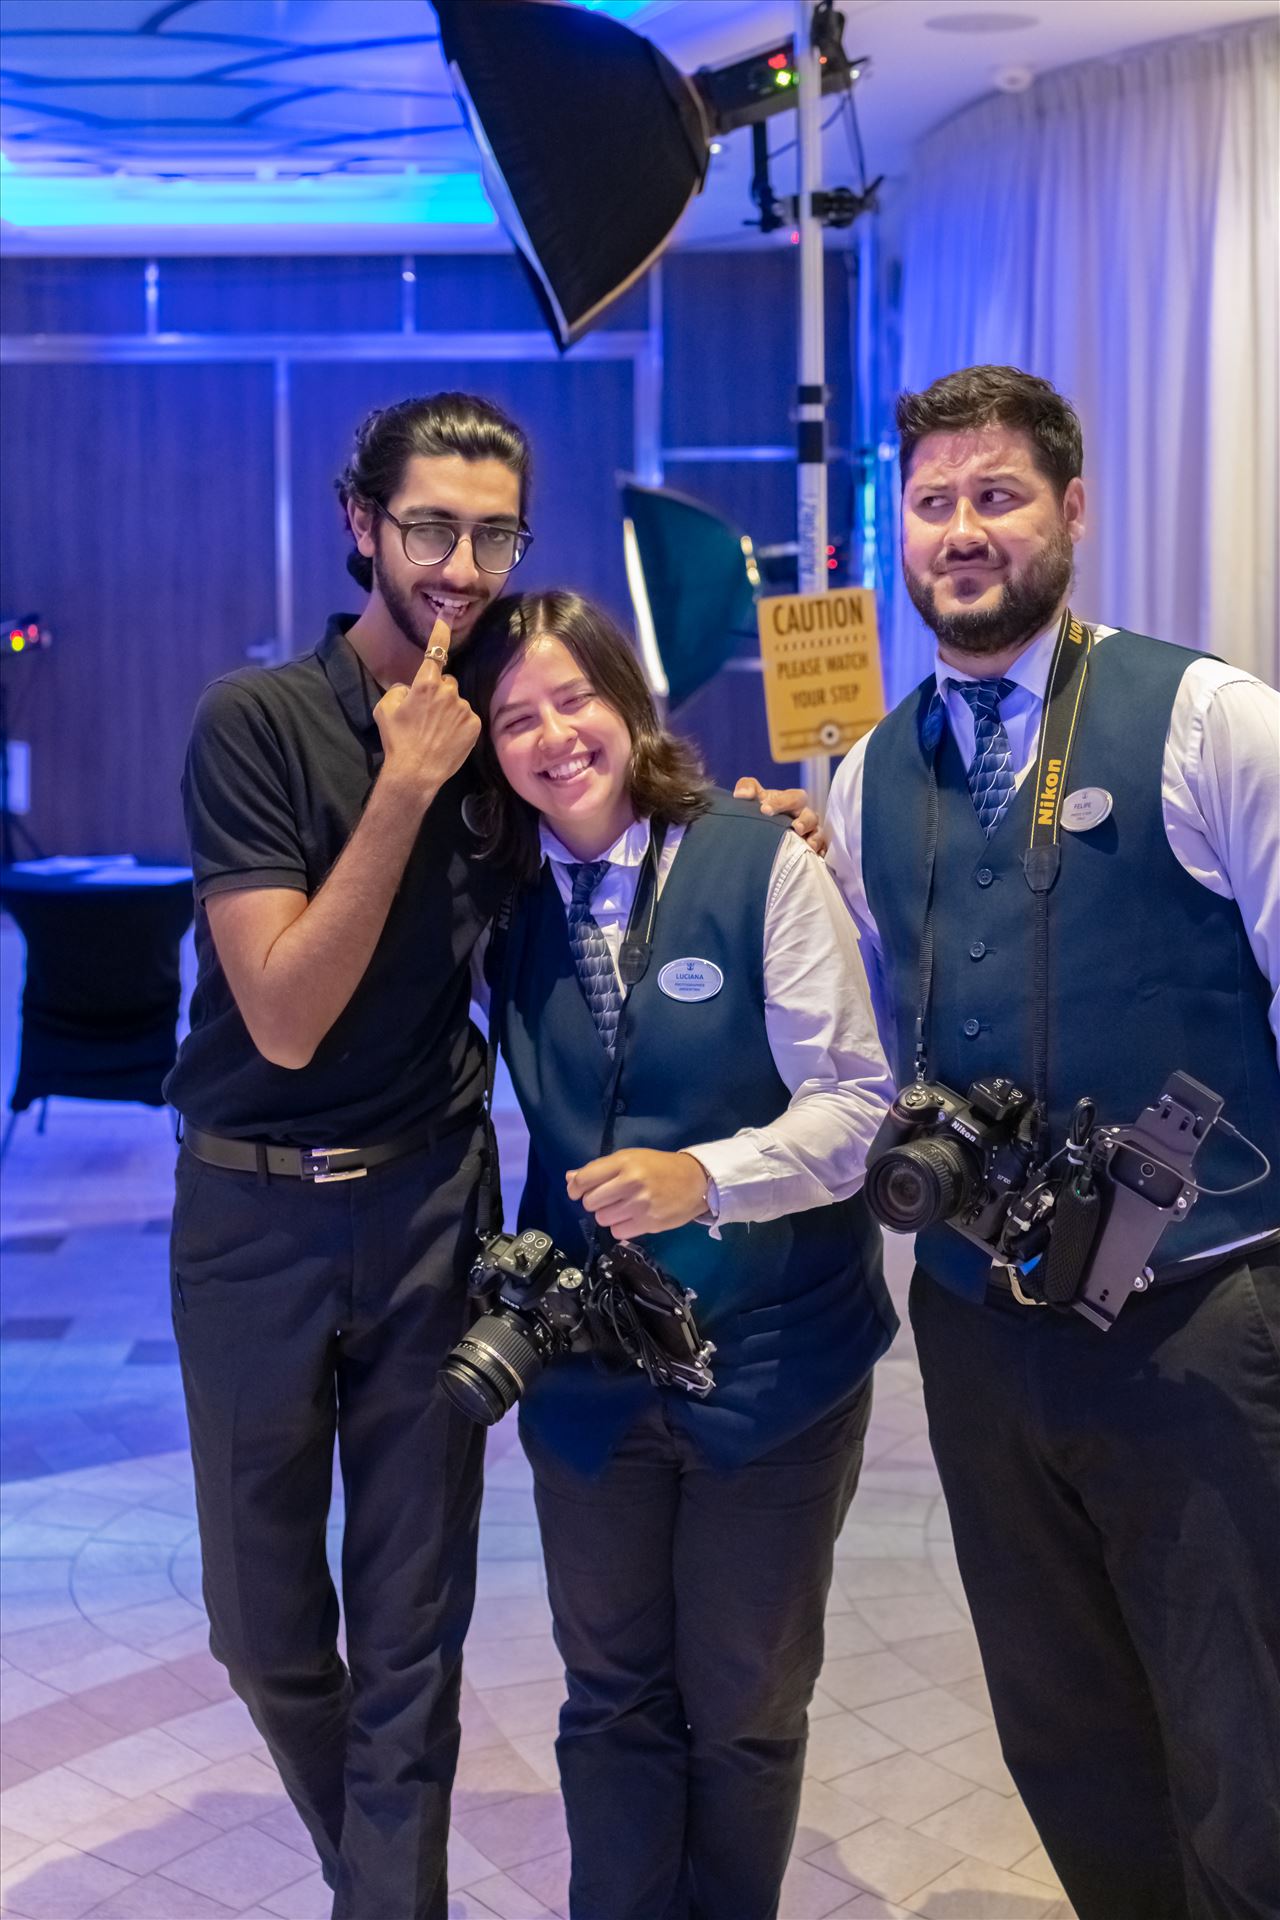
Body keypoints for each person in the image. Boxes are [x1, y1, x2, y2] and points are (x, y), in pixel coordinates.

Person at [823, 364, 1280, 1920]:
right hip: (979, 1326)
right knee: (1062, 1720)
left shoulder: (1211, 720)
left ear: (1072, 511)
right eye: (935, 503)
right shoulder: (870, 772)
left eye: (997, 496)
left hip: (1200, 1319)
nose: (963, 532)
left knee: (1247, 1733)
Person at [460, 588, 898, 1920]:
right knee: (611, 1695)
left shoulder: (757, 861)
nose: (553, 736)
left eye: (575, 698)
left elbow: (857, 1106)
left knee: (748, 1702)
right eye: (515, 718)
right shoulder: (498, 905)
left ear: (629, 701)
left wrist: (703, 1176)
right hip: (592, 1373)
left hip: (773, 1361)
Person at [164, 392, 534, 1920]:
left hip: (432, 1203)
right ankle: (374, 1873)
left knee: (409, 1624)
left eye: (494, 533)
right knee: (261, 1632)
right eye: (432, 528)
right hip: (251, 1212)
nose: (462, 564)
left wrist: (767, 820)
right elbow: (288, 1013)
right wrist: (402, 783)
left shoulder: (506, 717)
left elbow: (622, 814)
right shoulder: (257, 723)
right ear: (361, 527)